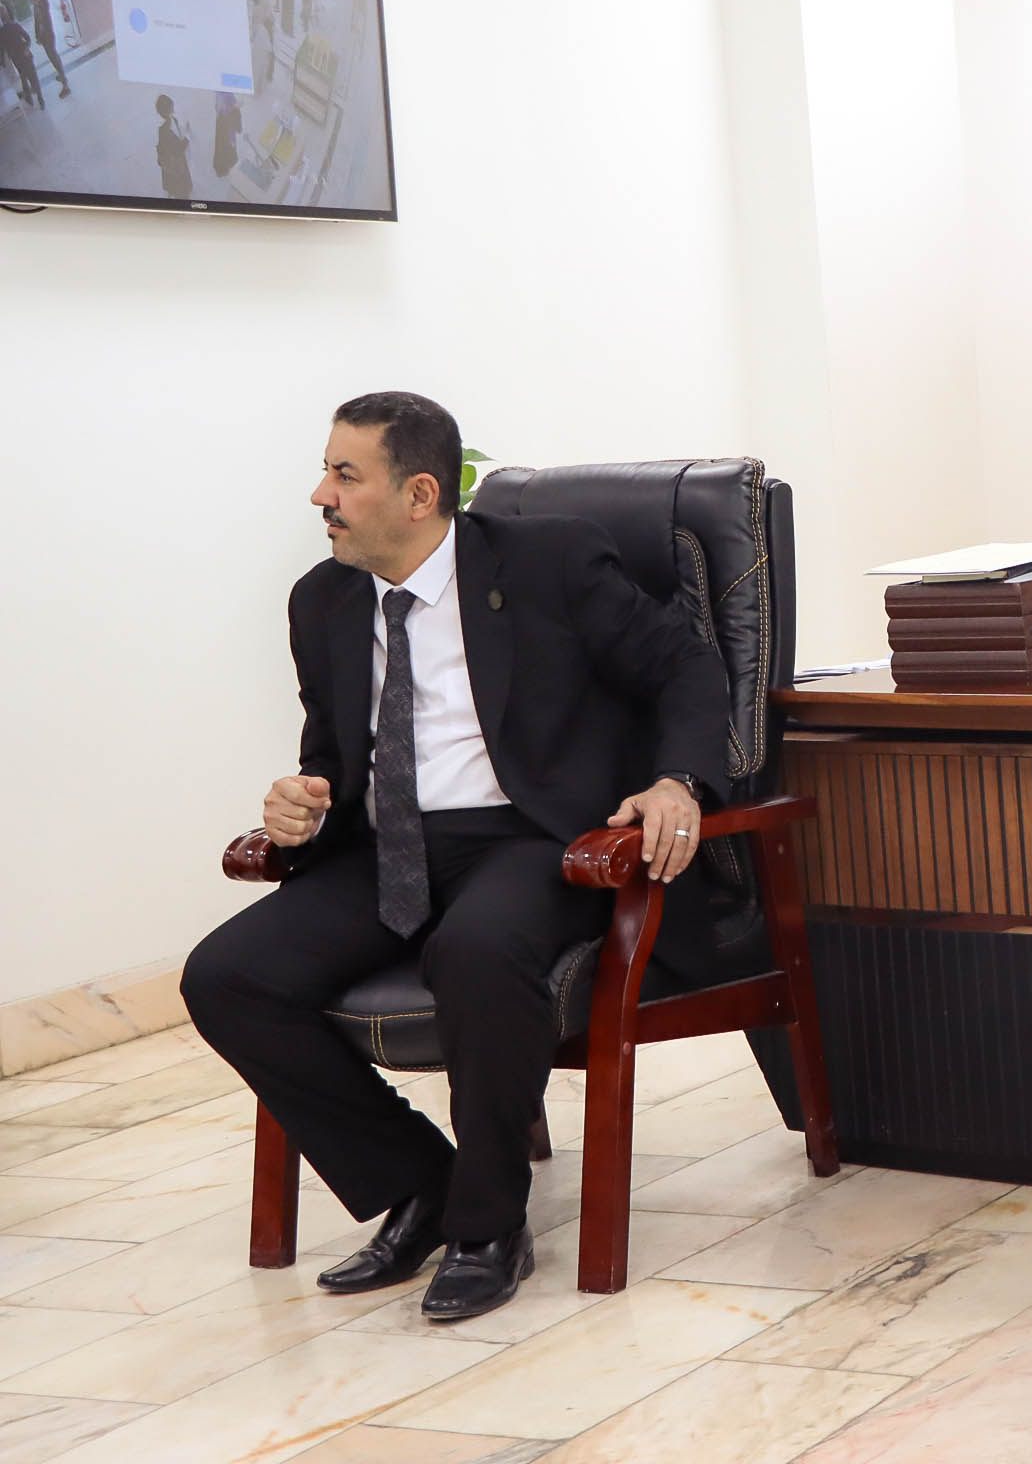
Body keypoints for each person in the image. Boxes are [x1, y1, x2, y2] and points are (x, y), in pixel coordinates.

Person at [182, 392, 730, 1322]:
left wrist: (678, 780)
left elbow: (683, 664)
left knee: (474, 949)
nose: (321, 495)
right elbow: (334, 755)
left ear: (420, 494)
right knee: (226, 977)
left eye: (345, 475)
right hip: (384, 846)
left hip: (529, 836)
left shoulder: (550, 562)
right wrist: (303, 803)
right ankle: (422, 1183)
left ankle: (488, 1225)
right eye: (325, 471)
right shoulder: (321, 600)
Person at [27, 0, 66, 98]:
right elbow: (36, 21)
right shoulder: (35, 3)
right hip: (43, 37)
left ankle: (65, 84)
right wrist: (37, 36)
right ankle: (61, 74)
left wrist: (41, 36)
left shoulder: (42, 1)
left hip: (48, 35)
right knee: (51, 57)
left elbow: (43, 21)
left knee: (54, 57)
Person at [0, 9, 41, 109]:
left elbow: (2, 48)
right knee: (33, 75)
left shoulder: (2, 32)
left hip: (16, 58)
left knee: (23, 76)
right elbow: (27, 38)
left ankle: (29, 98)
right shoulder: (15, 26)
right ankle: (40, 98)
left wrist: (3, 62)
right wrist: (26, 48)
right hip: (25, 54)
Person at [155, 94, 192, 199]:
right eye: (172, 107)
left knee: (173, 184)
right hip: (176, 166)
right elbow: (179, 150)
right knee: (181, 190)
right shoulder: (165, 130)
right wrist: (187, 136)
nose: (173, 109)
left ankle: (172, 191)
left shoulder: (168, 124)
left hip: (170, 165)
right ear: (169, 109)